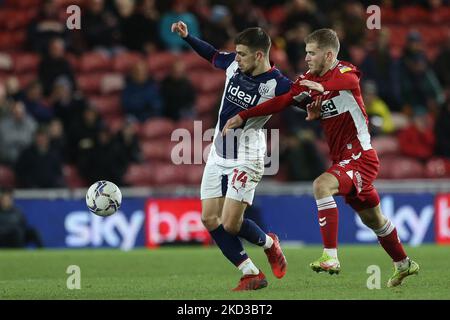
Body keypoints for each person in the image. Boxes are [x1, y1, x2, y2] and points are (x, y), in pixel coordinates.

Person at [223, 28, 419, 288]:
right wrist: (243, 116)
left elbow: (350, 83)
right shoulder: (307, 80)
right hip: (342, 160)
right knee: (374, 220)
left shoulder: (345, 73)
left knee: (321, 185)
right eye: (306, 52)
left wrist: (322, 87)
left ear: (328, 55)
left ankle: (330, 256)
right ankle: (404, 263)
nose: (306, 58)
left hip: (361, 157)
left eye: (311, 53)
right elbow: (281, 101)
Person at [171, 21, 288, 291]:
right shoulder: (234, 66)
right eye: (236, 53)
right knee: (209, 218)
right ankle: (250, 272)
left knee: (231, 224)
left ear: (259, 55)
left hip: (247, 155)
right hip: (219, 150)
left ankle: (270, 244)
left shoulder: (276, 84)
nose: (236, 58)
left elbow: (298, 97)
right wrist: (188, 37)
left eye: (242, 54)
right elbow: (211, 54)